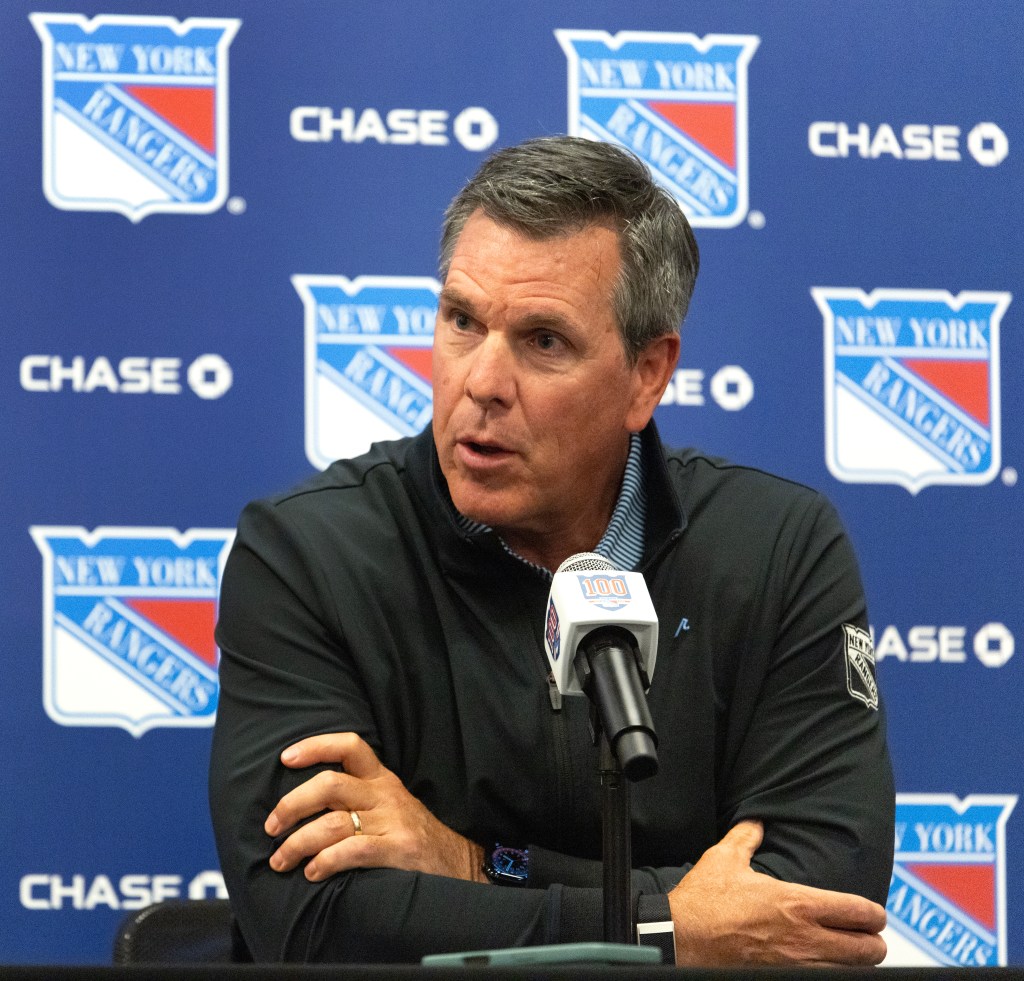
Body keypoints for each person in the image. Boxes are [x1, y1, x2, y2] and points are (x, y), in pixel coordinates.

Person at [209, 135, 894, 966]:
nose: (482, 382)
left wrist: (472, 864)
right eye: (462, 320)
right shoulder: (309, 554)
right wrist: (673, 928)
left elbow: (820, 902)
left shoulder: (778, 550)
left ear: (648, 373)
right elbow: (315, 923)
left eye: (542, 342)